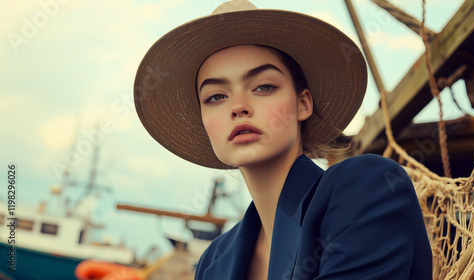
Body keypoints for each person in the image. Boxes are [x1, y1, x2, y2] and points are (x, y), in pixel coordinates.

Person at [134, 0, 433, 279]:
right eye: (215, 96)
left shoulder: (369, 185)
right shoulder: (213, 262)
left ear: (303, 104)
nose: (238, 106)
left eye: (263, 87)